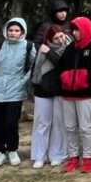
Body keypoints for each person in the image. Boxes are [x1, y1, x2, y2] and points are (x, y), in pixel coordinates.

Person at [57, 16, 91, 174]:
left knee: (85, 127)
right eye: (73, 30)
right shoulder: (69, 49)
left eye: (77, 29)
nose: (74, 33)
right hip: (67, 94)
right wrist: (65, 77)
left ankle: (87, 158)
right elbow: (60, 68)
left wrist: (84, 76)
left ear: (85, 29)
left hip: (85, 94)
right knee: (70, 127)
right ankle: (73, 157)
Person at [0, 18, 36, 168]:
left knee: (11, 122)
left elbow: (32, 67)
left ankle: (12, 150)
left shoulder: (29, 46)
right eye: (10, 30)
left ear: (22, 32)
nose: (13, 33)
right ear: (6, 30)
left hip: (16, 90)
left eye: (16, 30)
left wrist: (22, 82)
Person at [29, 24, 70, 169]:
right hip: (43, 90)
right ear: (50, 39)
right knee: (42, 123)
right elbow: (36, 68)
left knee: (59, 123)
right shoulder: (42, 49)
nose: (60, 40)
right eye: (56, 38)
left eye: (61, 36)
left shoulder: (69, 47)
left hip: (61, 90)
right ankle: (39, 155)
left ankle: (57, 154)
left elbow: (64, 65)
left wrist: (50, 53)